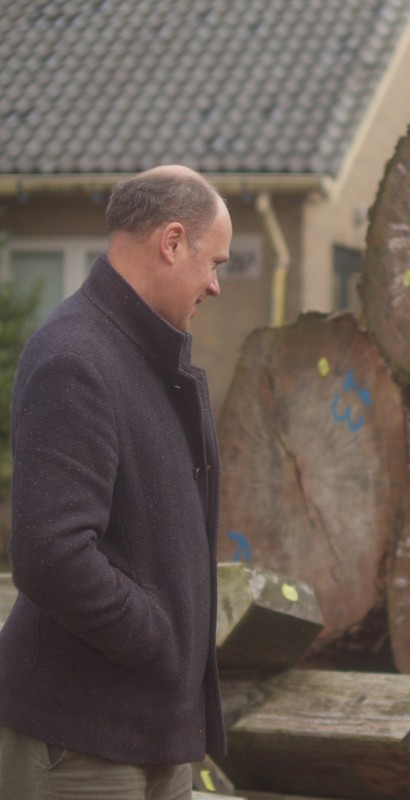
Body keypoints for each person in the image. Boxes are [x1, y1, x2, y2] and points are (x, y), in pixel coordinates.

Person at [0, 165, 231, 799]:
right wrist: (158, 638)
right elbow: (50, 555)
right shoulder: (75, 357)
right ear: (173, 241)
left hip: (150, 732)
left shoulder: (147, 358)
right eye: (215, 262)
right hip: (80, 743)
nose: (215, 285)